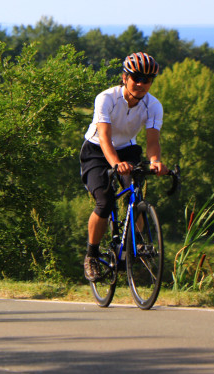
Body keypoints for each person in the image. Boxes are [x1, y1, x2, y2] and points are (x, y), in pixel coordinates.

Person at [79, 52, 169, 281]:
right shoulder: (106, 98)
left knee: (136, 196)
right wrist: (116, 164)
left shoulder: (153, 106)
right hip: (97, 150)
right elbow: (105, 137)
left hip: (128, 149)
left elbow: (152, 141)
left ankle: (136, 245)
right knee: (105, 201)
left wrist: (155, 161)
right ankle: (91, 255)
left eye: (147, 80)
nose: (140, 83)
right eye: (136, 77)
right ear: (124, 77)